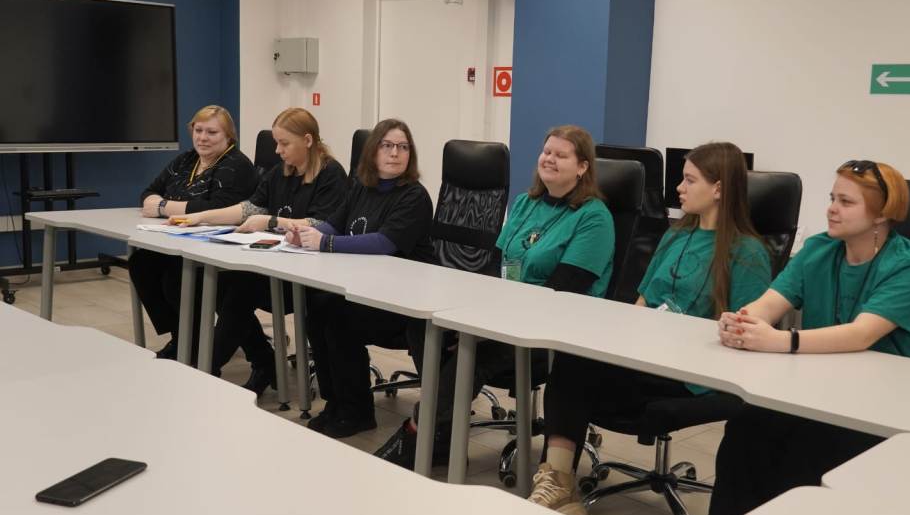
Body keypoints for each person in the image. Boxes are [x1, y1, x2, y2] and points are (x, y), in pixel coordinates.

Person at [525, 142, 772, 515]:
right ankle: (558, 484)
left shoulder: (748, 253)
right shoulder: (675, 235)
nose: (679, 188)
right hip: (646, 357)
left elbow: (743, 337)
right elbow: (642, 302)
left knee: (577, 375)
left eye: (689, 180)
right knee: (574, 358)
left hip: (690, 374)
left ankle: (560, 487)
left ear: (719, 189)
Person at [706, 160, 910, 515]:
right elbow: (770, 304)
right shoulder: (818, 249)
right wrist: (742, 321)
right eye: (832, 198)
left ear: (882, 214)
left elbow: (862, 334)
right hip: (822, 387)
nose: (832, 208)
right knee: (747, 428)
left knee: (814, 449)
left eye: (846, 202)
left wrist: (782, 340)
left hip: (887, 401)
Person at [374, 124, 616, 469]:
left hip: (550, 331)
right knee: (425, 326)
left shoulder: (594, 218)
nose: (549, 159)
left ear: (582, 167)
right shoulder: (526, 203)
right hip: (504, 316)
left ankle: (418, 431)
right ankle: (442, 436)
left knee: (472, 352)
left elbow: (562, 291)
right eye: (546, 152)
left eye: (561, 155)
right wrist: (470, 316)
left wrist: (484, 326)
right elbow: (495, 267)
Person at [168, 107, 347, 392]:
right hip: (274, 264)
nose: (277, 150)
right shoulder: (281, 172)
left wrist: (272, 221)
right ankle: (263, 361)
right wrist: (199, 216)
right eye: (276, 143)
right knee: (220, 284)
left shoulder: (331, 174)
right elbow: (249, 209)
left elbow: (323, 224)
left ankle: (206, 368)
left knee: (241, 289)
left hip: (308, 274)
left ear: (307, 140)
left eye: (284, 143)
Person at [294, 118, 434, 439]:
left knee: (339, 319)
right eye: (387, 145)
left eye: (403, 147)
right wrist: (305, 234)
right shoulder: (361, 187)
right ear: (373, 152)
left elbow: (385, 243)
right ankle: (336, 403)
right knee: (317, 308)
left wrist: (326, 243)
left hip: (403, 303)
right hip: (367, 289)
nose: (395, 153)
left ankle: (357, 412)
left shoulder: (414, 196)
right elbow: (334, 224)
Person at [130, 105, 257, 360]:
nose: (202, 138)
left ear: (228, 136)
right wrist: (160, 203)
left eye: (212, 132)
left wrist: (163, 207)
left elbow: (217, 206)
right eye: (198, 130)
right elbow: (149, 192)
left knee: (175, 276)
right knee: (141, 263)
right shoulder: (187, 160)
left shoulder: (236, 165)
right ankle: (182, 336)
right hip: (182, 239)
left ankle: (194, 343)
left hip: (219, 244)